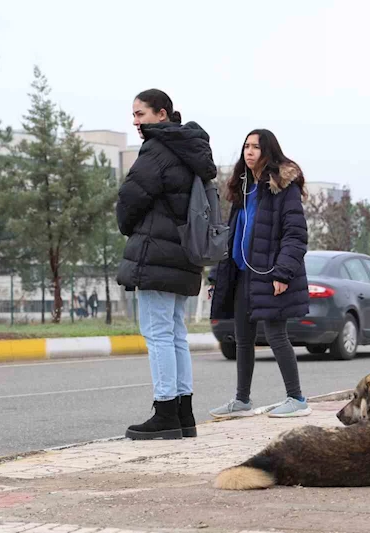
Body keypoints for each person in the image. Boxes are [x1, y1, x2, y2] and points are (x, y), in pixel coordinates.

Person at [116, 89, 217, 440]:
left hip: (157, 254)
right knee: (175, 335)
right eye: (133, 115)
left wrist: (128, 227)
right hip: (185, 254)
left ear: (162, 114)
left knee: (158, 334)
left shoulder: (158, 148)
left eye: (140, 114)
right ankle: (183, 414)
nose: (135, 121)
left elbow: (131, 195)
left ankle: (165, 412)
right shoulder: (192, 149)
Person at [208, 129, 311, 419]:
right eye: (246, 146)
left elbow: (295, 234)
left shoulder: (282, 186)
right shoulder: (243, 188)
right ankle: (242, 401)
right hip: (242, 273)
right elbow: (231, 236)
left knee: (277, 335)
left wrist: (283, 273)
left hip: (270, 273)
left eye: (256, 147)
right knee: (242, 339)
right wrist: (217, 276)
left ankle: (297, 398)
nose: (249, 151)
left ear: (268, 151)